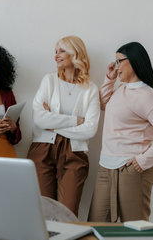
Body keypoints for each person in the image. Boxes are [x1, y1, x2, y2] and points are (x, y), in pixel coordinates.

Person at [89, 42, 153, 222]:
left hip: (131, 168)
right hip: (106, 167)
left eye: (119, 61)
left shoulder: (150, 96)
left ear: (134, 61)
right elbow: (103, 103)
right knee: (96, 224)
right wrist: (109, 79)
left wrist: (142, 161)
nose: (116, 66)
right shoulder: (122, 90)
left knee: (134, 226)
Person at [27, 35, 100, 216]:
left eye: (61, 51)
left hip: (74, 153)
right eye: (55, 52)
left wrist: (54, 123)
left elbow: (90, 129)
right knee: (43, 212)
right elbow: (40, 119)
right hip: (43, 149)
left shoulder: (90, 89)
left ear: (75, 53)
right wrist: (75, 120)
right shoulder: (49, 80)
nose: (56, 55)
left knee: (68, 214)